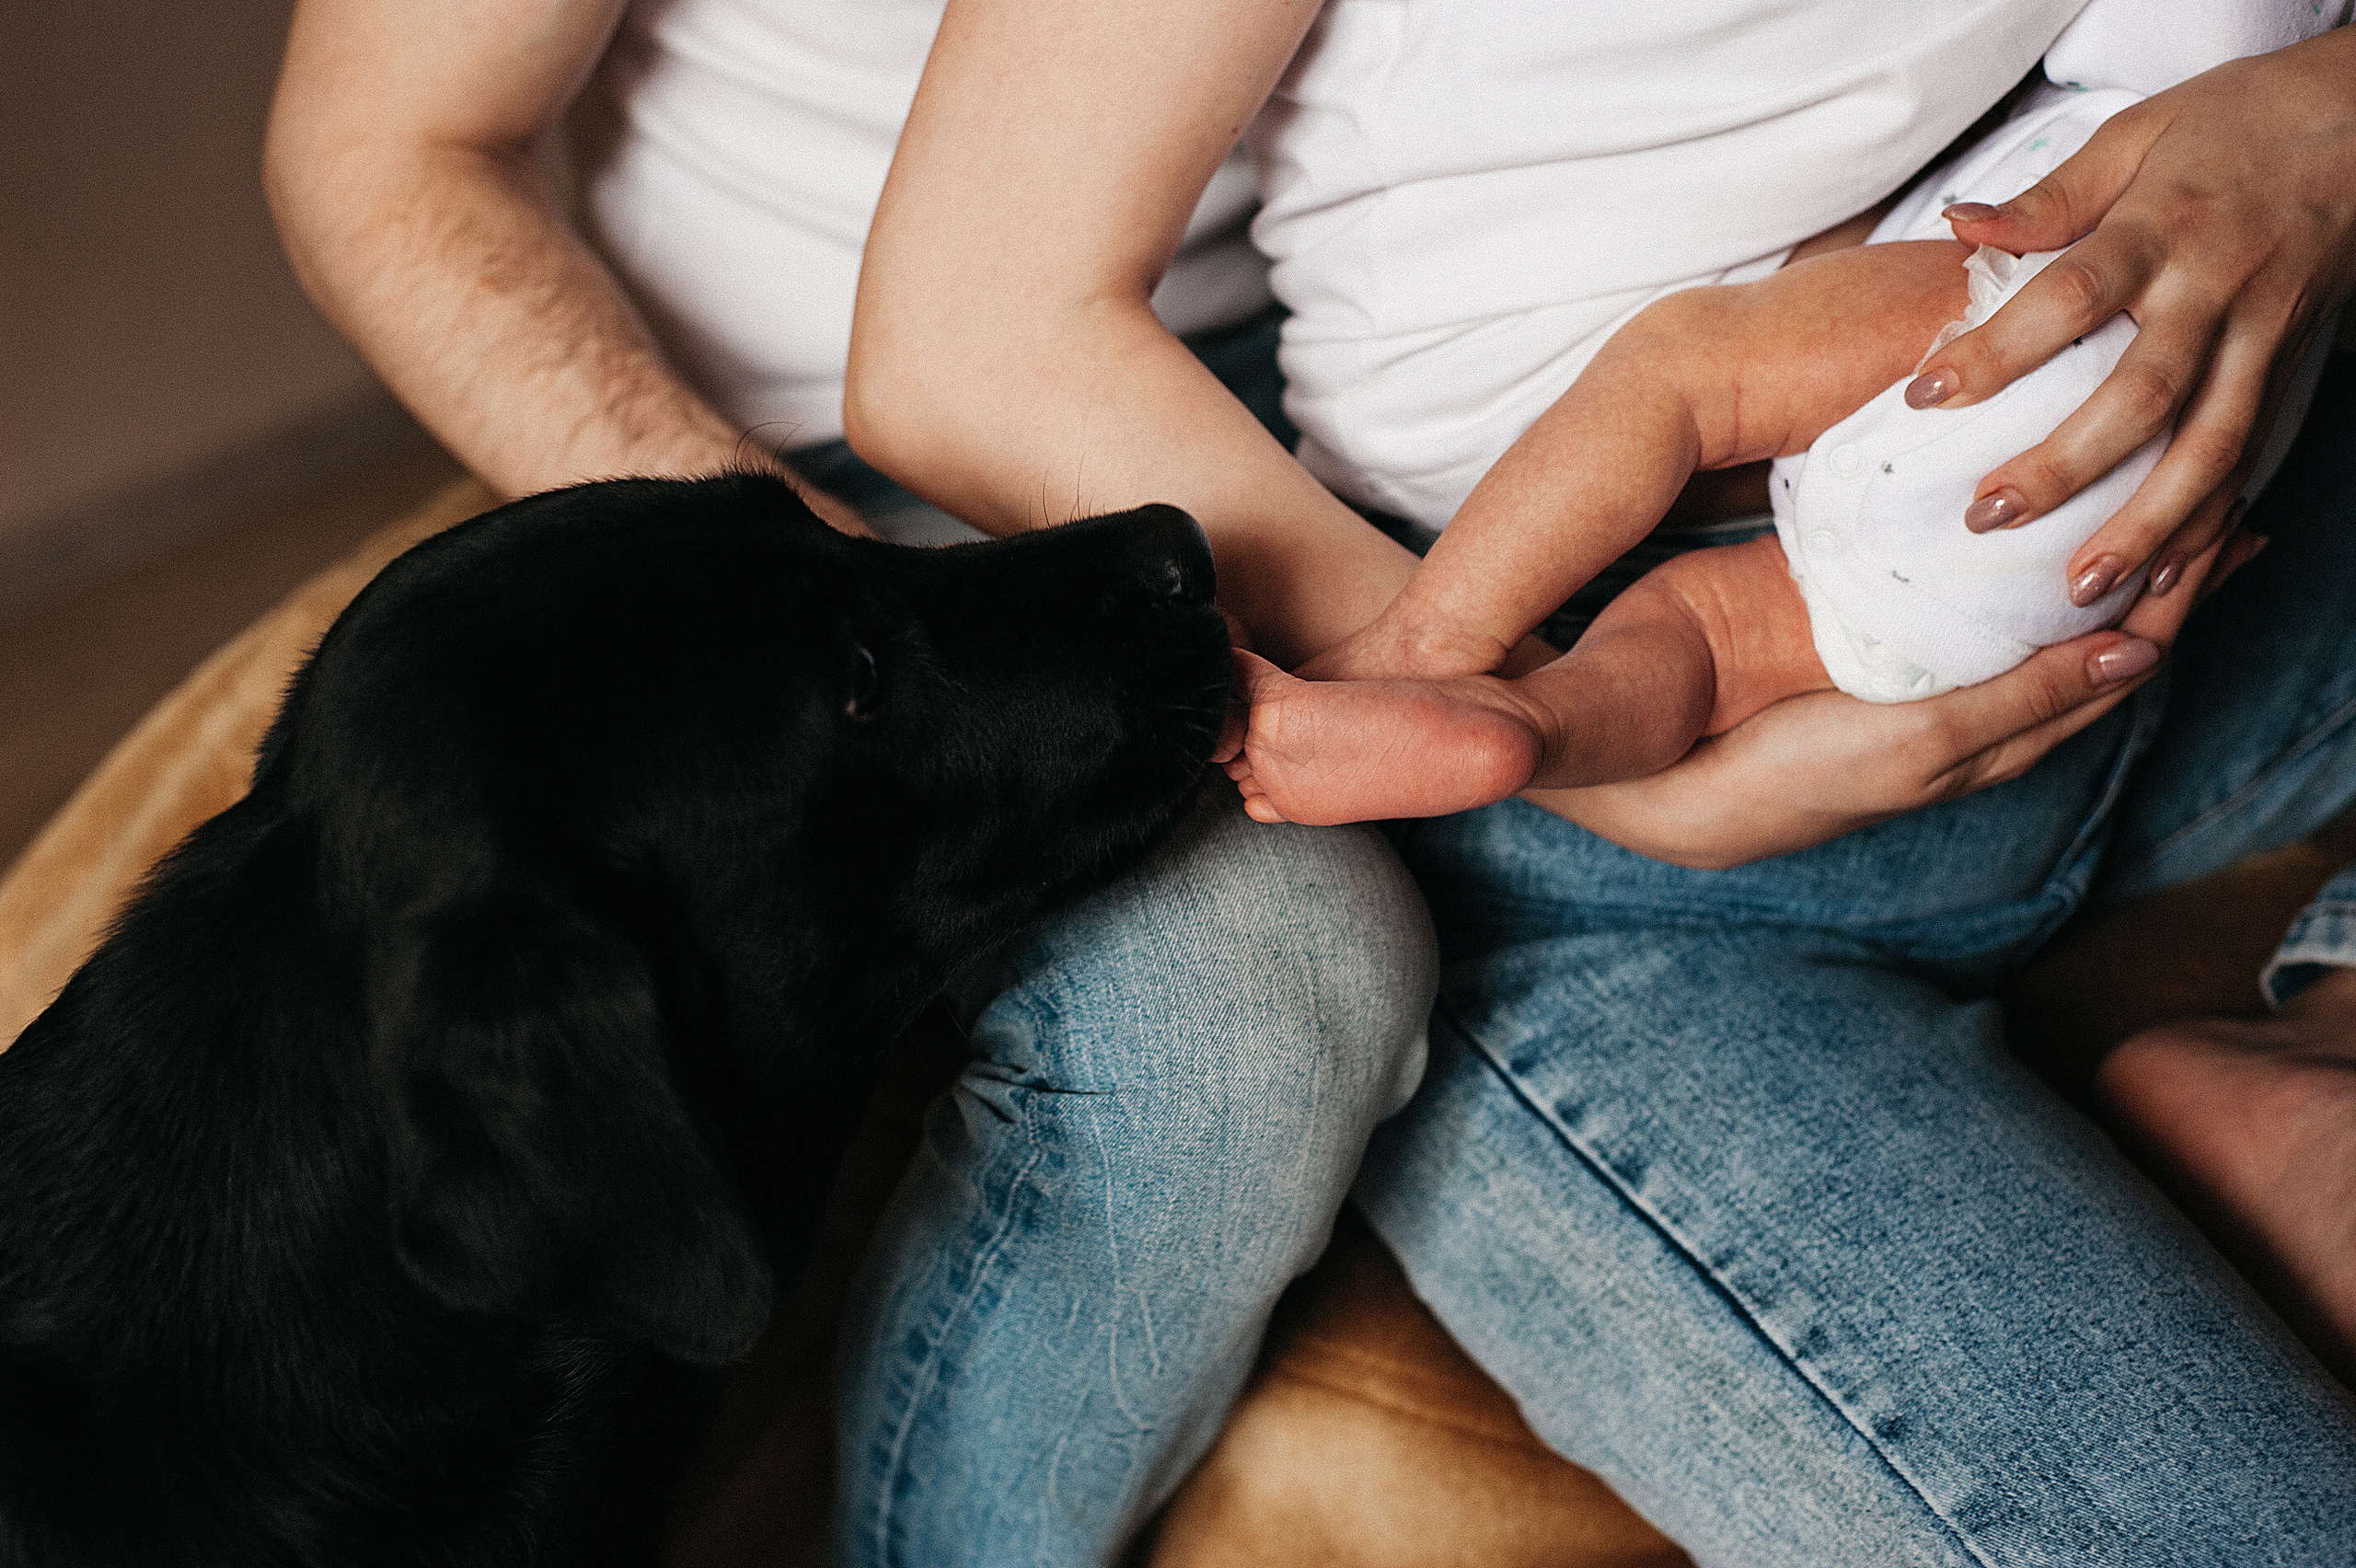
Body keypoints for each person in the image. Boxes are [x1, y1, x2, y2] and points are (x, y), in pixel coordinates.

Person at [850, 0, 2356, 1560]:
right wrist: (1609, 796)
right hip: (1709, 777)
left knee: (1702, 626)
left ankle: (1485, 683)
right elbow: (967, 335)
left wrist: (2327, 119)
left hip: (2058, 557)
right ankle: (1477, 684)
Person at [264, 4, 1441, 1563]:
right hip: (798, 446)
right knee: (1259, 986)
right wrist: (843, 619)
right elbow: (382, 150)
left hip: (1368, 344)